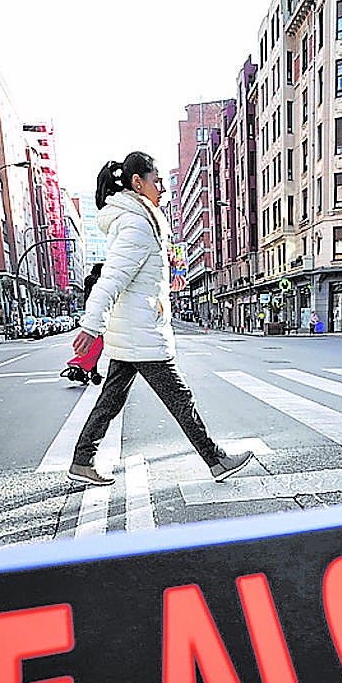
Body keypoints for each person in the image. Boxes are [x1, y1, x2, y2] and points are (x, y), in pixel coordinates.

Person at [67, 152, 253, 487]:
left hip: (133, 329)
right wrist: (90, 326)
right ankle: (215, 460)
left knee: (111, 400)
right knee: (180, 399)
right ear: (137, 183)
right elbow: (112, 279)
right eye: (157, 181)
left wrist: (166, 286)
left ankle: (82, 460)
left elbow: (136, 279)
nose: (163, 188)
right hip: (140, 333)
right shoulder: (137, 225)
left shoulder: (139, 220)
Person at [61, 264, 106, 386]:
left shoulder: (88, 282)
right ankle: (90, 370)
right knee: (97, 347)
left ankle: (89, 370)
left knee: (92, 347)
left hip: (90, 314)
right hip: (99, 315)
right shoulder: (99, 282)